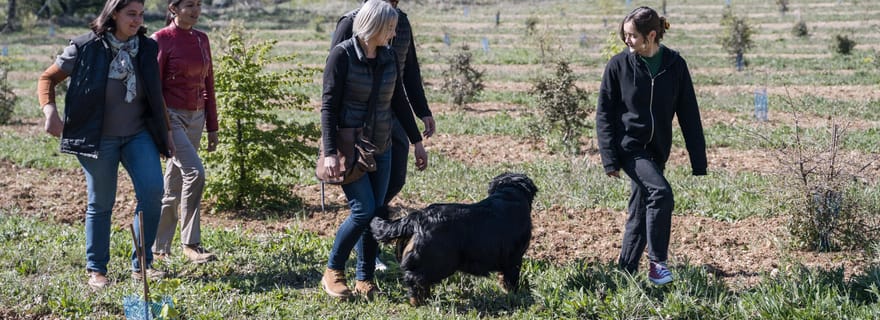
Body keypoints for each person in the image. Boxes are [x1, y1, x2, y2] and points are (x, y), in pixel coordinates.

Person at [37, 0, 174, 289]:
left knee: (153, 192)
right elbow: (47, 78)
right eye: (131, 14)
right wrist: (50, 112)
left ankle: (142, 264)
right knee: (101, 202)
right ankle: (97, 269)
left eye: (141, 14)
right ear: (113, 14)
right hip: (97, 138)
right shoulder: (85, 47)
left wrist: (168, 132)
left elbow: (155, 93)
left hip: (138, 134)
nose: (137, 20)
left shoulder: (147, 48)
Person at [320, 0, 428, 300]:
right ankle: (333, 270)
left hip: (382, 146)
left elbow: (399, 101)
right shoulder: (342, 56)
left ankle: (364, 278)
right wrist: (329, 152)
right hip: (350, 148)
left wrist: (417, 141)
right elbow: (328, 106)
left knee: (376, 212)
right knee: (363, 210)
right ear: (375, 26)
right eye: (390, 28)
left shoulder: (389, 56)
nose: (394, 34)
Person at [595, 6, 707, 286]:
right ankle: (658, 264)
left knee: (642, 209)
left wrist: (698, 161)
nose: (627, 40)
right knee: (660, 193)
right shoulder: (618, 65)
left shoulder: (675, 65)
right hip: (629, 148)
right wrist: (609, 158)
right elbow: (604, 113)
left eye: (632, 35)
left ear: (652, 35)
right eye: (625, 34)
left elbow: (689, 114)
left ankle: (625, 272)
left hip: (657, 151)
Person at [150, 0, 218, 264]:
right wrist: (162, 128)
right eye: (189, 4)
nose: (195, 10)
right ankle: (191, 243)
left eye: (199, 4)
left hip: (197, 117)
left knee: (175, 181)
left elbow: (208, 83)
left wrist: (212, 125)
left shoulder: (201, 39)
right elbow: (154, 88)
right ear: (173, 8)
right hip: (172, 117)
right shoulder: (161, 39)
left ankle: (160, 247)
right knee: (195, 173)